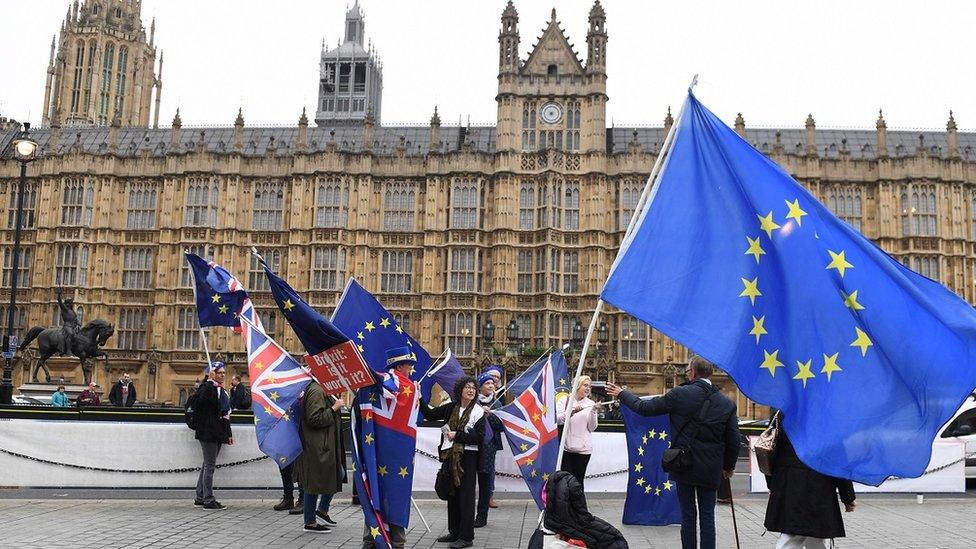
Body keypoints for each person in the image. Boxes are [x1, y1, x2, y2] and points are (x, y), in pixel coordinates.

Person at [606, 356, 739, 549]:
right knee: (708, 516)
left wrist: (622, 394)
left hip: (684, 463)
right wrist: (728, 467)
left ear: (693, 372)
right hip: (711, 467)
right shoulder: (726, 403)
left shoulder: (680, 394)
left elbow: (644, 408)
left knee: (688, 515)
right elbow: (734, 440)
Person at [764, 413, 856, 549]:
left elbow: (769, 451)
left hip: (788, 483)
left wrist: (772, 483)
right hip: (819, 484)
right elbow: (838, 458)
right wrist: (847, 495)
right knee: (803, 535)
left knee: (805, 534)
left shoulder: (781, 412)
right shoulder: (826, 416)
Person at [361, 346, 419, 549]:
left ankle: (372, 539)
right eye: (409, 365)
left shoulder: (378, 382)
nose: (411, 368)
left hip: (379, 449)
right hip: (400, 452)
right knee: (396, 495)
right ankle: (396, 542)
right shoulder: (408, 387)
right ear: (401, 365)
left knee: (376, 491)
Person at [420, 376, 486, 549]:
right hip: (451, 456)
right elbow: (430, 414)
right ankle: (454, 531)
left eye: (473, 388)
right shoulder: (452, 407)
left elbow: (479, 438)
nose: (471, 390)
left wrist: (458, 435)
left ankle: (466, 537)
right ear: (460, 390)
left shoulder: (478, 412)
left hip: (468, 458)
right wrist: (419, 397)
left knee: (466, 497)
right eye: (467, 387)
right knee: (453, 495)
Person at [294, 378, 345, 534]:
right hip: (316, 446)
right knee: (313, 482)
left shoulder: (323, 388)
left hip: (323, 444)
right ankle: (310, 522)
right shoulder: (317, 390)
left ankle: (322, 510)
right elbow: (314, 419)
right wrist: (334, 408)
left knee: (336, 474)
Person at [192, 362, 233, 510]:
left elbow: (226, 415)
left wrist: (228, 434)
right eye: (219, 372)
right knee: (210, 467)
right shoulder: (206, 388)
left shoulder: (223, 391)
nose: (222, 375)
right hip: (207, 432)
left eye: (224, 372)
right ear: (212, 373)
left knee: (206, 465)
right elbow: (202, 402)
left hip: (218, 432)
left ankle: (200, 496)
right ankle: (209, 500)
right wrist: (209, 382)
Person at [557, 375, 602, 491]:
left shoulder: (591, 403)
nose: (588, 388)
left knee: (578, 483)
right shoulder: (565, 400)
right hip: (566, 449)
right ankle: (565, 507)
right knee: (566, 482)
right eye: (585, 385)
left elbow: (592, 427)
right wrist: (571, 411)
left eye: (589, 386)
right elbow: (557, 419)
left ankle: (578, 508)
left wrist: (593, 411)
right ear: (577, 385)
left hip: (583, 450)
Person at [475, 372, 503, 527]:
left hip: (489, 446)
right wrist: (480, 412)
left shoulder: (497, 402)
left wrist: (489, 415)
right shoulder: (474, 401)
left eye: (492, 384)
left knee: (485, 481)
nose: (491, 386)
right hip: (473, 444)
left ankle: (482, 515)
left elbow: (501, 425)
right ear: (480, 386)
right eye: (487, 383)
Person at [56, 288, 79, 356]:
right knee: (70, 333)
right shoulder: (65, 309)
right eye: (71, 302)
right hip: (67, 326)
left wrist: (78, 325)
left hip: (74, 326)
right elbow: (60, 302)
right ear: (68, 303)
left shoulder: (72, 312)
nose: (72, 303)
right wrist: (59, 294)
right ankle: (68, 350)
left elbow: (76, 320)